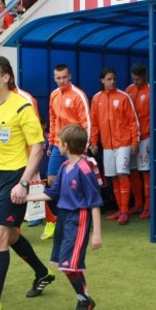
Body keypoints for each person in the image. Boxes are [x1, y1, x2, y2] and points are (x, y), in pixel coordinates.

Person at [0, 56, 54, 310]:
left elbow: (37, 148)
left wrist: (24, 182)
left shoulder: (22, 107)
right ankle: (41, 272)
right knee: (12, 234)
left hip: (15, 178)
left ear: (6, 77)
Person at [26, 124, 103, 310]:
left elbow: (94, 202)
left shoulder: (85, 169)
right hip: (63, 218)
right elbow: (52, 193)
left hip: (79, 220)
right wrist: (26, 197)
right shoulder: (63, 167)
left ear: (67, 145)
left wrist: (96, 234)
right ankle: (84, 300)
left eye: (59, 142)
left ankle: (84, 300)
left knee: (69, 266)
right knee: (67, 264)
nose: (57, 145)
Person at [46, 64, 91, 240]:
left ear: (70, 76)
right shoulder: (53, 95)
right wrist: (51, 143)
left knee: (75, 182)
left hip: (75, 145)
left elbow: (86, 121)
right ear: (54, 78)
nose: (61, 81)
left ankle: (80, 216)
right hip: (58, 144)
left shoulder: (78, 95)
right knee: (51, 180)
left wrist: (84, 147)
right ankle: (60, 218)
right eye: (58, 78)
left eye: (64, 77)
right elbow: (52, 119)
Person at [90, 67, 139, 225]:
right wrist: (93, 142)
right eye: (109, 79)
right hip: (107, 145)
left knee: (122, 174)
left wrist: (134, 142)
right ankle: (120, 209)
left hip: (123, 143)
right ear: (102, 80)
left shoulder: (124, 97)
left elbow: (133, 121)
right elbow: (94, 123)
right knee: (112, 177)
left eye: (114, 79)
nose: (112, 82)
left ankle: (125, 211)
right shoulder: (97, 99)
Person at [125, 63, 151, 220]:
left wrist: (152, 140)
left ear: (145, 77)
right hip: (130, 138)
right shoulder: (129, 90)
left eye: (139, 79)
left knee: (145, 171)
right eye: (133, 79)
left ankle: (148, 206)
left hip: (146, 136)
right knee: (133, 171)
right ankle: (138, 204)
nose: (136, 82)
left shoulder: (150, 90)